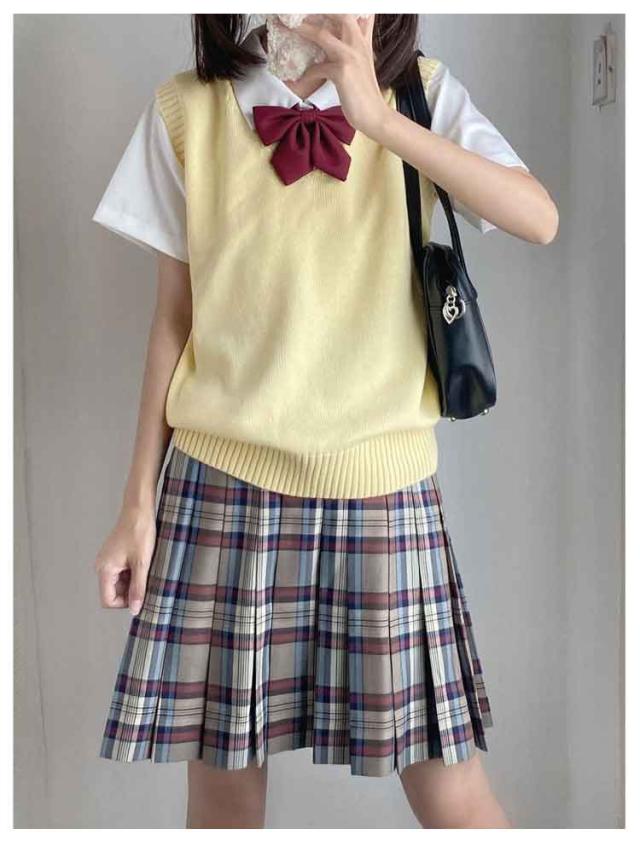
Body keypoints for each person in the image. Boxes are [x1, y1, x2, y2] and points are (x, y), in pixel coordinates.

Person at [92, 13, 558, 829]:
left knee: (453, 794)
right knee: (223, 805)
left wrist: (378, 118)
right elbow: (175, 318)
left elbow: (538, 217)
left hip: (383, 484)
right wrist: (137, 507)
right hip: (220, 488)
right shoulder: (187, 109)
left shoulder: (421, 93)